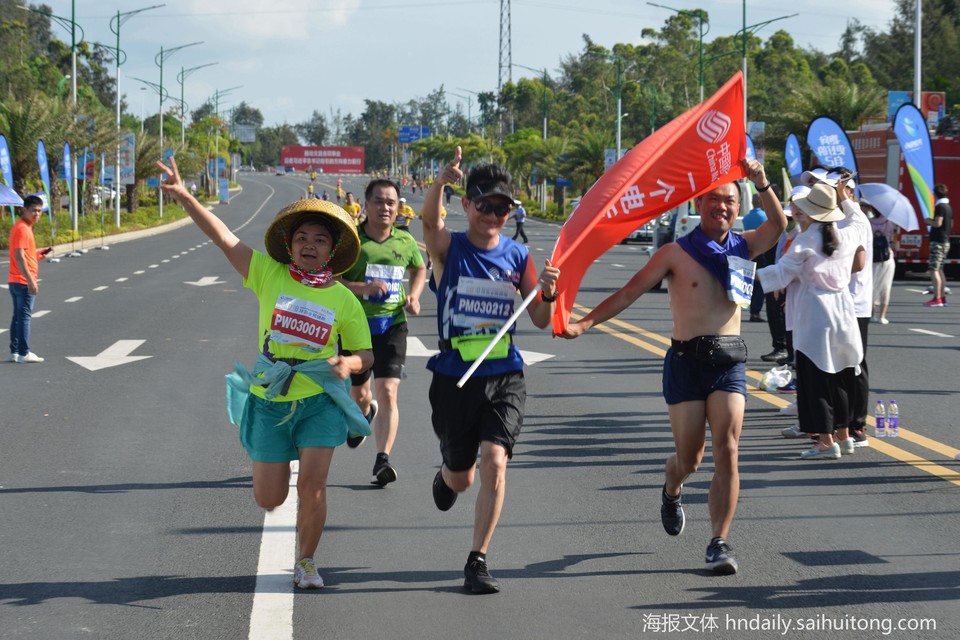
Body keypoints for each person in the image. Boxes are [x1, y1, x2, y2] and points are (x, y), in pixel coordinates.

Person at [156, 157, 374, 590]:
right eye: (301, 238)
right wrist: (185, 197)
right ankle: (278, 463)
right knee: (269, 498)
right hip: (270, 398)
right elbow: (224, 238)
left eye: (319, 240)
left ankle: (306, 561)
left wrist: (348, 364)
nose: (309, 245)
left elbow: (366, 355)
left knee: (313, 486)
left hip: (320, 400)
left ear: (332, 251)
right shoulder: (267, 274)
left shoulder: (344, 300)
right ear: (289, 246)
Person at [561, 160, 786, 575]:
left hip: (729, 363)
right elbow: (629, 291)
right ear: (699, 204)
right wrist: (583, 324)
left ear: (738, 207)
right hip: (686, 363)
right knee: (690, 458)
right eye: (714, 199)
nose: (721, 206)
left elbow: (778, 225)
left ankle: (719, 542)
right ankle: (672, 486)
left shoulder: (745, 246)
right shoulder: (675, 253)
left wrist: (761, 182)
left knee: (728, 449)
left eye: (729, 201)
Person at [421, 147, 559, 593]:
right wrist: (439, 182)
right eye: (485, 205)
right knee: (462, 478)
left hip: (504, 375)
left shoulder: (518, 256)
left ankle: (477, 560)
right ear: (466, 204)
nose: (493, 215)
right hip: (455, 375)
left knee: (495, 461)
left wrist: (548, 293)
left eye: (502, 208)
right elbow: (430, 225)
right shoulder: (450, 249)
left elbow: (540, 319)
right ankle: (446, 474)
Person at [758, 180, 864, 459]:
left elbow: (781, 273)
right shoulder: (848, 233)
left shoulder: (806, 239)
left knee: (814, 379)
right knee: (840, 377)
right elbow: (858, 218)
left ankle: (826, 442)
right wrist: (844, 198)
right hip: (844, 311)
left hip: (815, 313)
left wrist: (743, 274)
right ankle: (844, 436)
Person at [339, 179, 427, 486]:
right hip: (355, 328)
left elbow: (419, 268)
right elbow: (332, 281)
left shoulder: (405, 241)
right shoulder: (352, 241)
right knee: (361, 395)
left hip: (392, 324)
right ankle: (364, 412)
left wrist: (414, 295)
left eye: (391, 202)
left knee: (388, 390)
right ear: (366, 204)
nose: (385, 208)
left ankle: (382, 459)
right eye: (378, 201)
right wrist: (363, 288)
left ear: (398, 207)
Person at [8, 195, 52, 363]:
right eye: (33, 210)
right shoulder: (23, 229)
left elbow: (25, 254)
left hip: (15, 279)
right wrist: (30, 280)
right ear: (24, 210)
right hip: (23, 280)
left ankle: (15, 352)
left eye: (39, 211)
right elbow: (20, 257)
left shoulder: (21, 227)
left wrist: (40, 254)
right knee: (24, 317)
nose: (37, 214)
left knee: (18, 317)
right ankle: (24, 353)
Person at [742, 193, 768, 322]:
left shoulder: (746, 218)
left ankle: (750, 308)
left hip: (749, 250)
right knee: (760, 282)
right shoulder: (765, 217)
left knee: (750, 280)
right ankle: (755, 312)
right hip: (762, 251)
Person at [869, 203, 896, 324]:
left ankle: (872, 314)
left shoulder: (869, 222)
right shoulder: (888, 222)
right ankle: (882, 316)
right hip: (887, 256)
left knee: (872, 285)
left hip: (873, 256)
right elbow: (892, 239)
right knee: (886, 286)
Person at [925, 184, 951, 307]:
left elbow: (937, 223)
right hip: (945, 240)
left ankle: (937, 298)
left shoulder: (940, 207)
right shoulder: (948, 207)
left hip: (938, 242)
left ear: (935, 195)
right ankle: (942, 297)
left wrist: (928, 221)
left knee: (933, 270)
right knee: (940, 270)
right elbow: (950, 223)